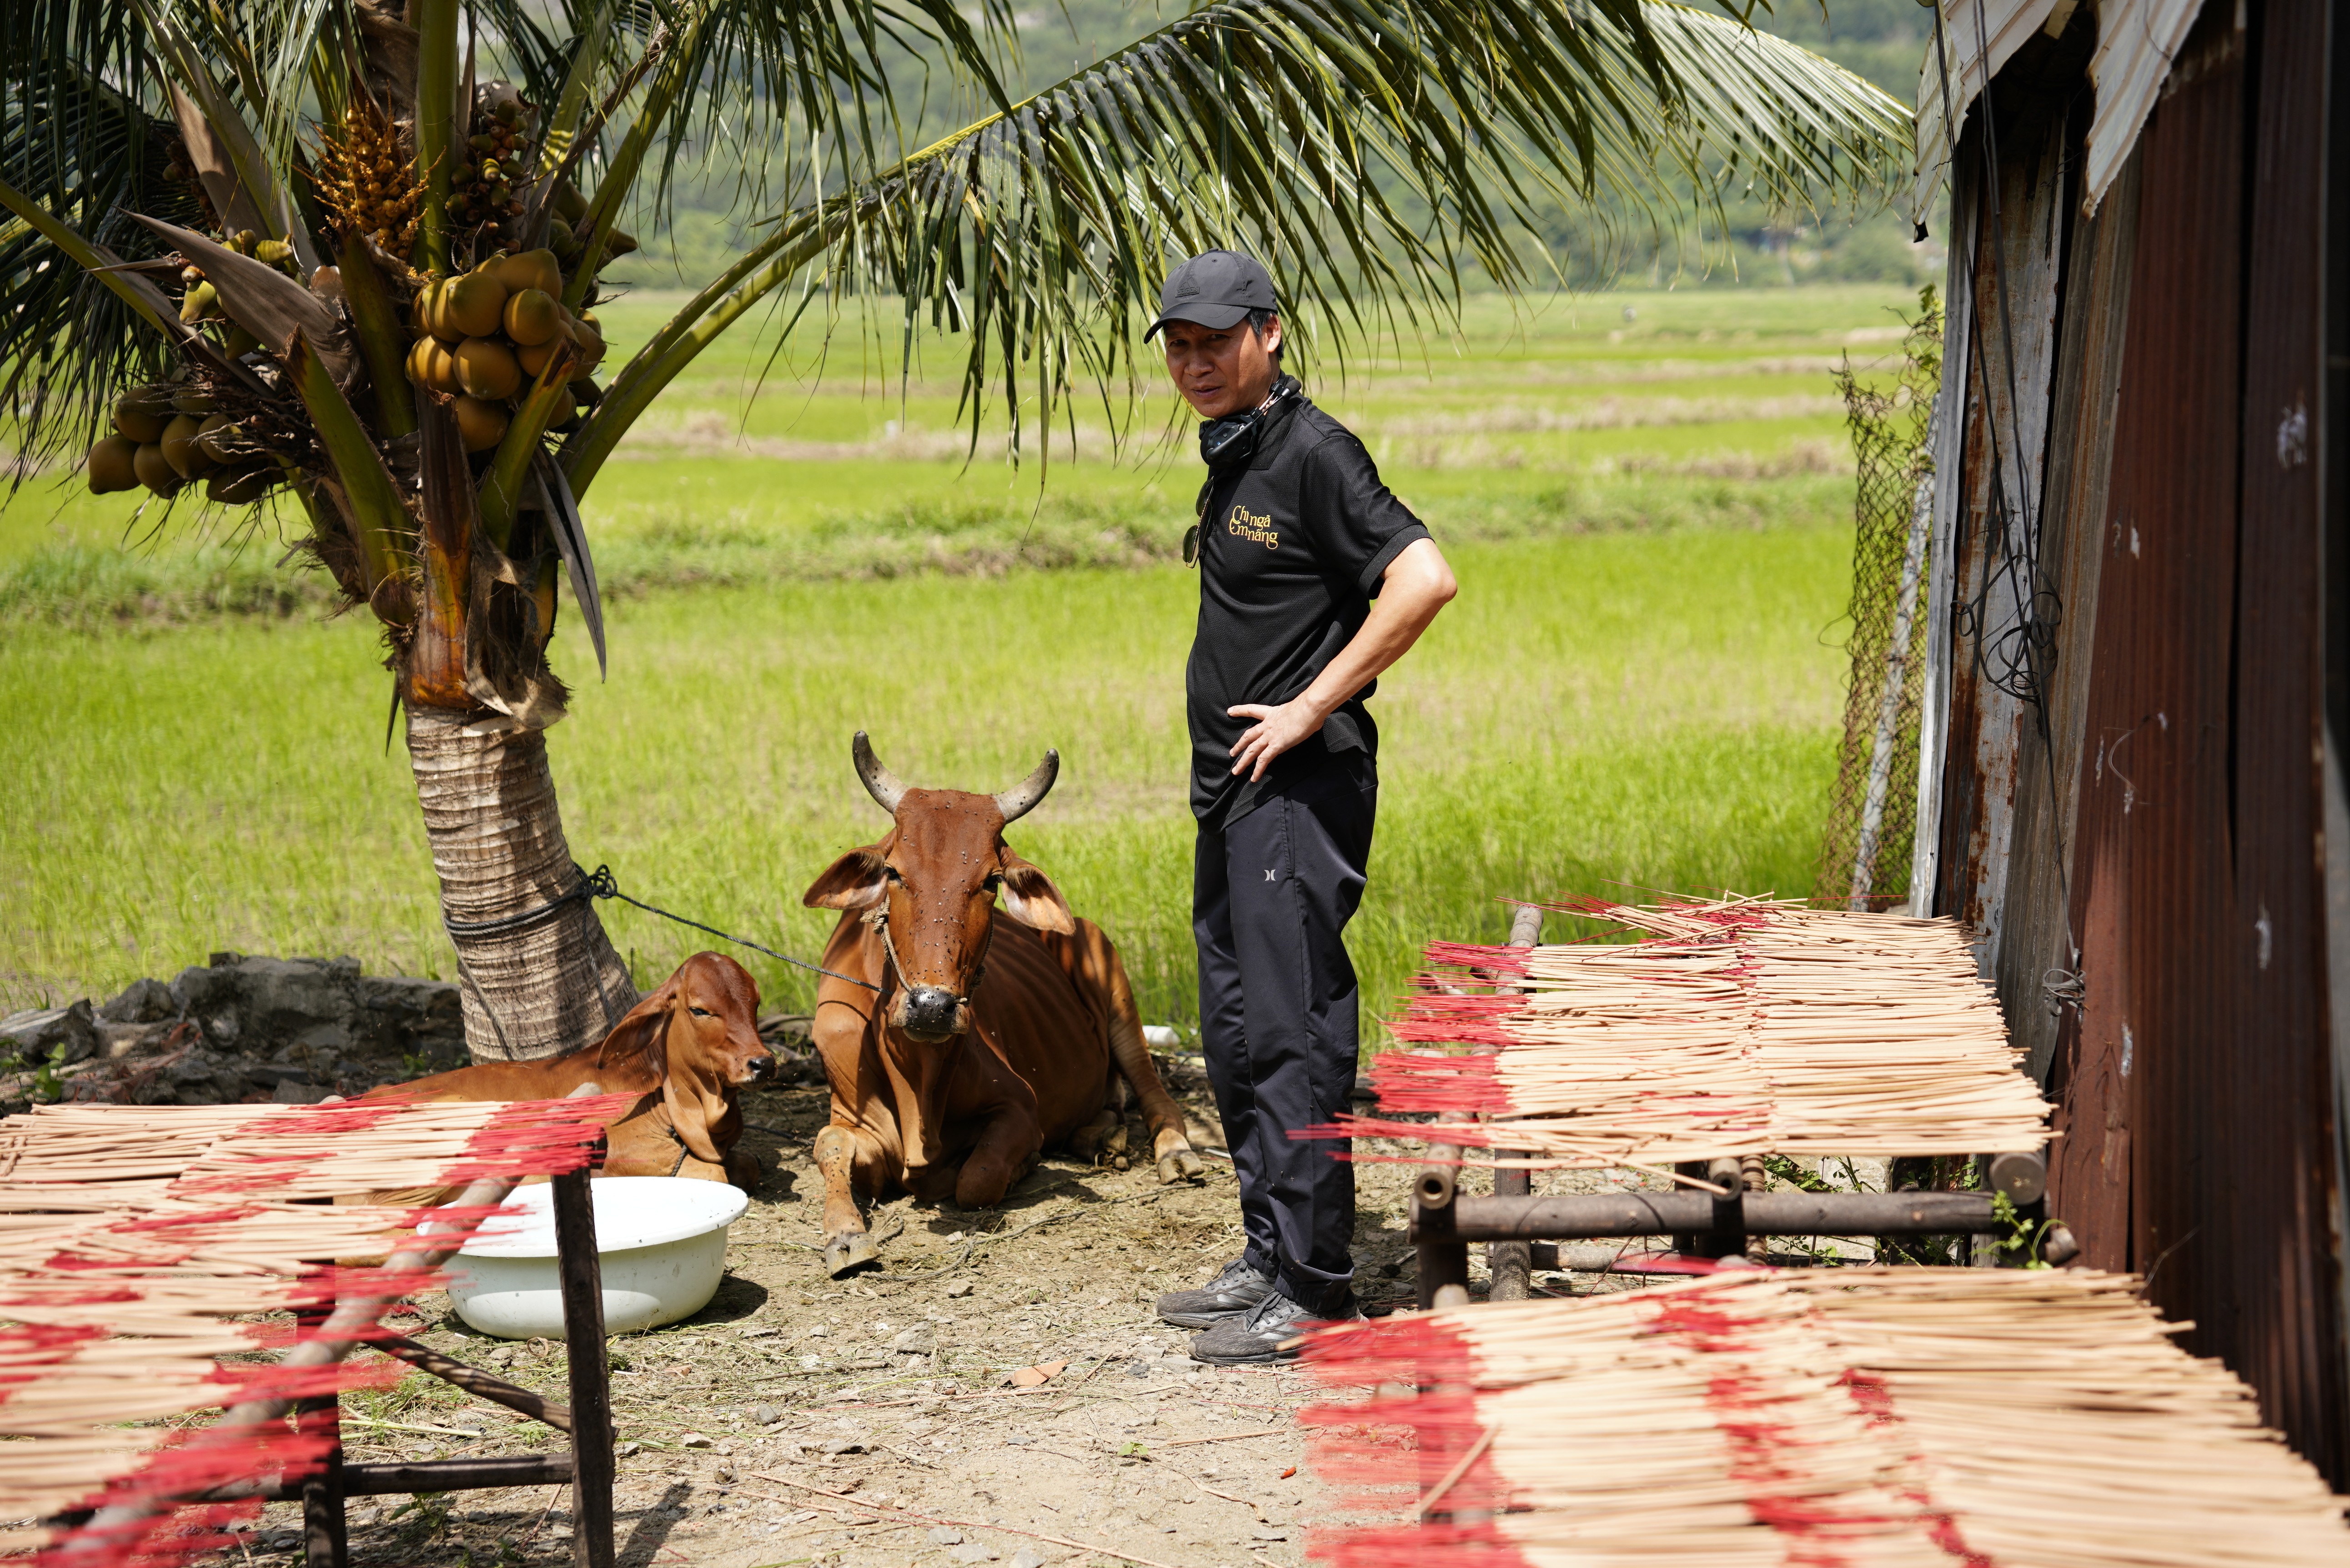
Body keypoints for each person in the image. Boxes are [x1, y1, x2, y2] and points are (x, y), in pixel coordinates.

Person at [1144, 249, 1457, 1364]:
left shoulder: (1317, 451)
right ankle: (1269, 1251)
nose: (1194, 362)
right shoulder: (1234, 454)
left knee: (1295, 1034)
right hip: (1229, 793)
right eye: (1178, 345)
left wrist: (1311, 703)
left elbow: (1423, 577)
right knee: (1233, 1033)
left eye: (1214, 341)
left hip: (1296, 790)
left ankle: (1319, 1291)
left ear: (1268, 333)